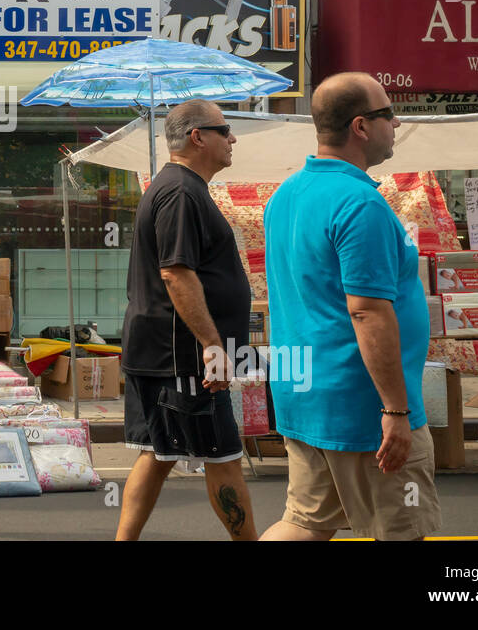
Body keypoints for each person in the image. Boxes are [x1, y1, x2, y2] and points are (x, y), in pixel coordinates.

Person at [261, 72, 441, 541]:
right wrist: (396, 412)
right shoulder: (361, 203)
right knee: (402, 530)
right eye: (387, 115)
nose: (396, 123)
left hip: (306, 395)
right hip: (363, 406)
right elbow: (366, 311)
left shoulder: (285, 195)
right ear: (361, 127)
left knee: (304, 522)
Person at [115, 100, 257, 542]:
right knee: (222, 457)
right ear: (198, 136)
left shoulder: (179, 187)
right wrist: (213, 346)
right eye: (225, 129)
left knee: (159, 454)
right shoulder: (180, 191)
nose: (233, 138)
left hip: (163, 352)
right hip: (183, 358)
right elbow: (176, 273)